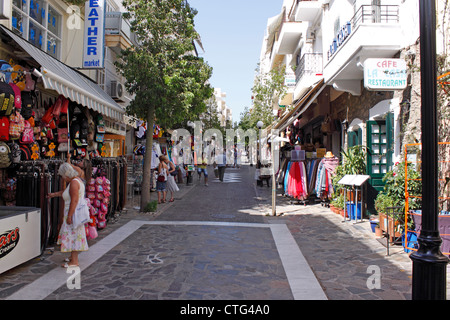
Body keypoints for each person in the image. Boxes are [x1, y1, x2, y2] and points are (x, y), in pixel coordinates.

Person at [47, 163, 88, 268]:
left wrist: (69, 216)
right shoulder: (77, 180)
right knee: (74, 234)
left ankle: (74, 261)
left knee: (73, 235)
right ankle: (72, 258)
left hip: (73, 213)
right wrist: (54, 194)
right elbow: (67, 193)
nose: (63, 179)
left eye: (62, 176)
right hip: (74, 212)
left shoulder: (74, 183)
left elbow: (74, 200)